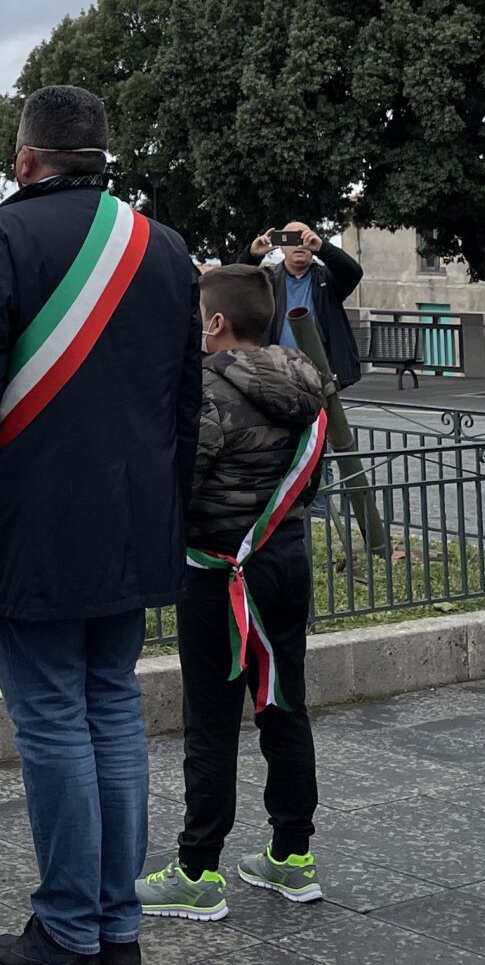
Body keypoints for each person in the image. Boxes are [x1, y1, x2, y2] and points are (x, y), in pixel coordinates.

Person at [0, 85, 202, 965]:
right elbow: (184, 404)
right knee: (114, 710)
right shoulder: (162, 246)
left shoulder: (3, 238)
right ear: (101, 154)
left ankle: (69, 928)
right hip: (135, 526)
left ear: (24, 159)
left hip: (34, 524)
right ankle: (116, 928)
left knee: (50, 718)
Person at [134, 263, 329, 924]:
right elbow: (309, 485)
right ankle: (292, 856)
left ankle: (196, 870)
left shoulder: (206, 391)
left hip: (220, 573)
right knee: (284, 705)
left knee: (212, 724)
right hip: (286, 562)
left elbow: (177, 487)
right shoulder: (305, 383)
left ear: (216, 323)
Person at [253, 222, 364, 385]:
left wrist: (324, 248)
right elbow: (232, 284)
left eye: (304, 238)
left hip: (321, 374)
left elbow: (353, 273)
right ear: (281, 247)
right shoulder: (267, 280)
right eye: (291, 239)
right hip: (276, 373)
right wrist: (252, 256)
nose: (299, 245)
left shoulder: (327, 279)